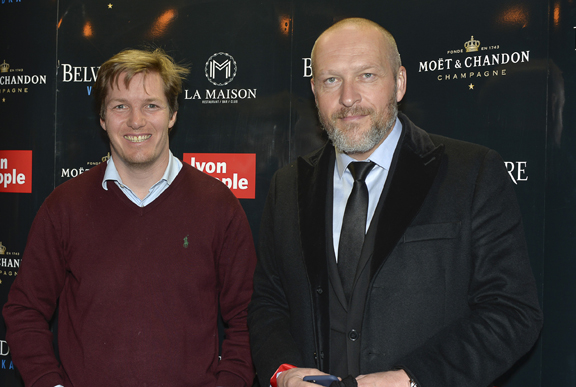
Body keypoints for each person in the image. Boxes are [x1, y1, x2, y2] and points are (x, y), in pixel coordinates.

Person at [247, 18, 542, 387]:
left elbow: (512, 311)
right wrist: (283, 372)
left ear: (399, 82)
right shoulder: (288, 185)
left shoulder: (472, 173)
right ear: (314, 90)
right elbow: (268, 303)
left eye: (366, 75)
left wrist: (413, 379)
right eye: (331, 80)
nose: (348, 97)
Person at [3, 48, 256, 387]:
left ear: (172, 114)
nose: (136, 120)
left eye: (151, 105)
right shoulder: (63, 207)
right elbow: (25, 312)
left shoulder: (219, 205)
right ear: (103, 118)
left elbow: (248, 320)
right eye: (120, 106)